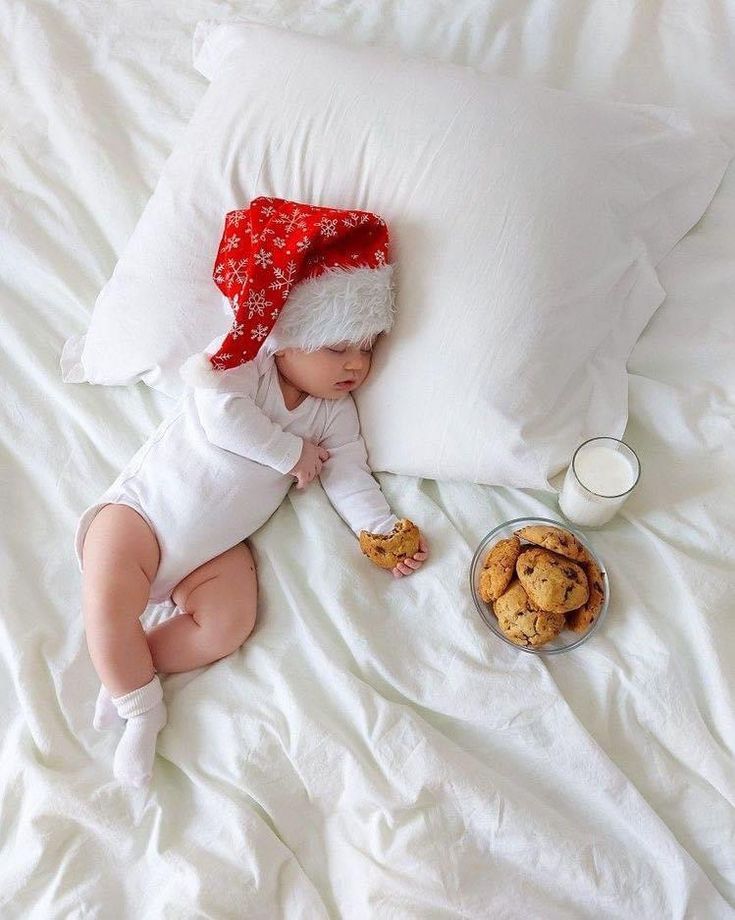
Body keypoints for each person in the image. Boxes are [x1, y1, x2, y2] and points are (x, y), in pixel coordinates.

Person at [76, 197, 429, 787]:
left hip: (213, 553)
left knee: (227, 625)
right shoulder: (243, 364)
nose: (357, 366)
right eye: (337, 346)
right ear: (287, 336)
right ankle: (142, 712)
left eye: (367, 347)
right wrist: (290, 454)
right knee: (106, 601)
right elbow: (221, 418)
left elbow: (348, 473)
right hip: (142, 514)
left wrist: (378, 527)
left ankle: (132, 668)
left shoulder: (332, 416)